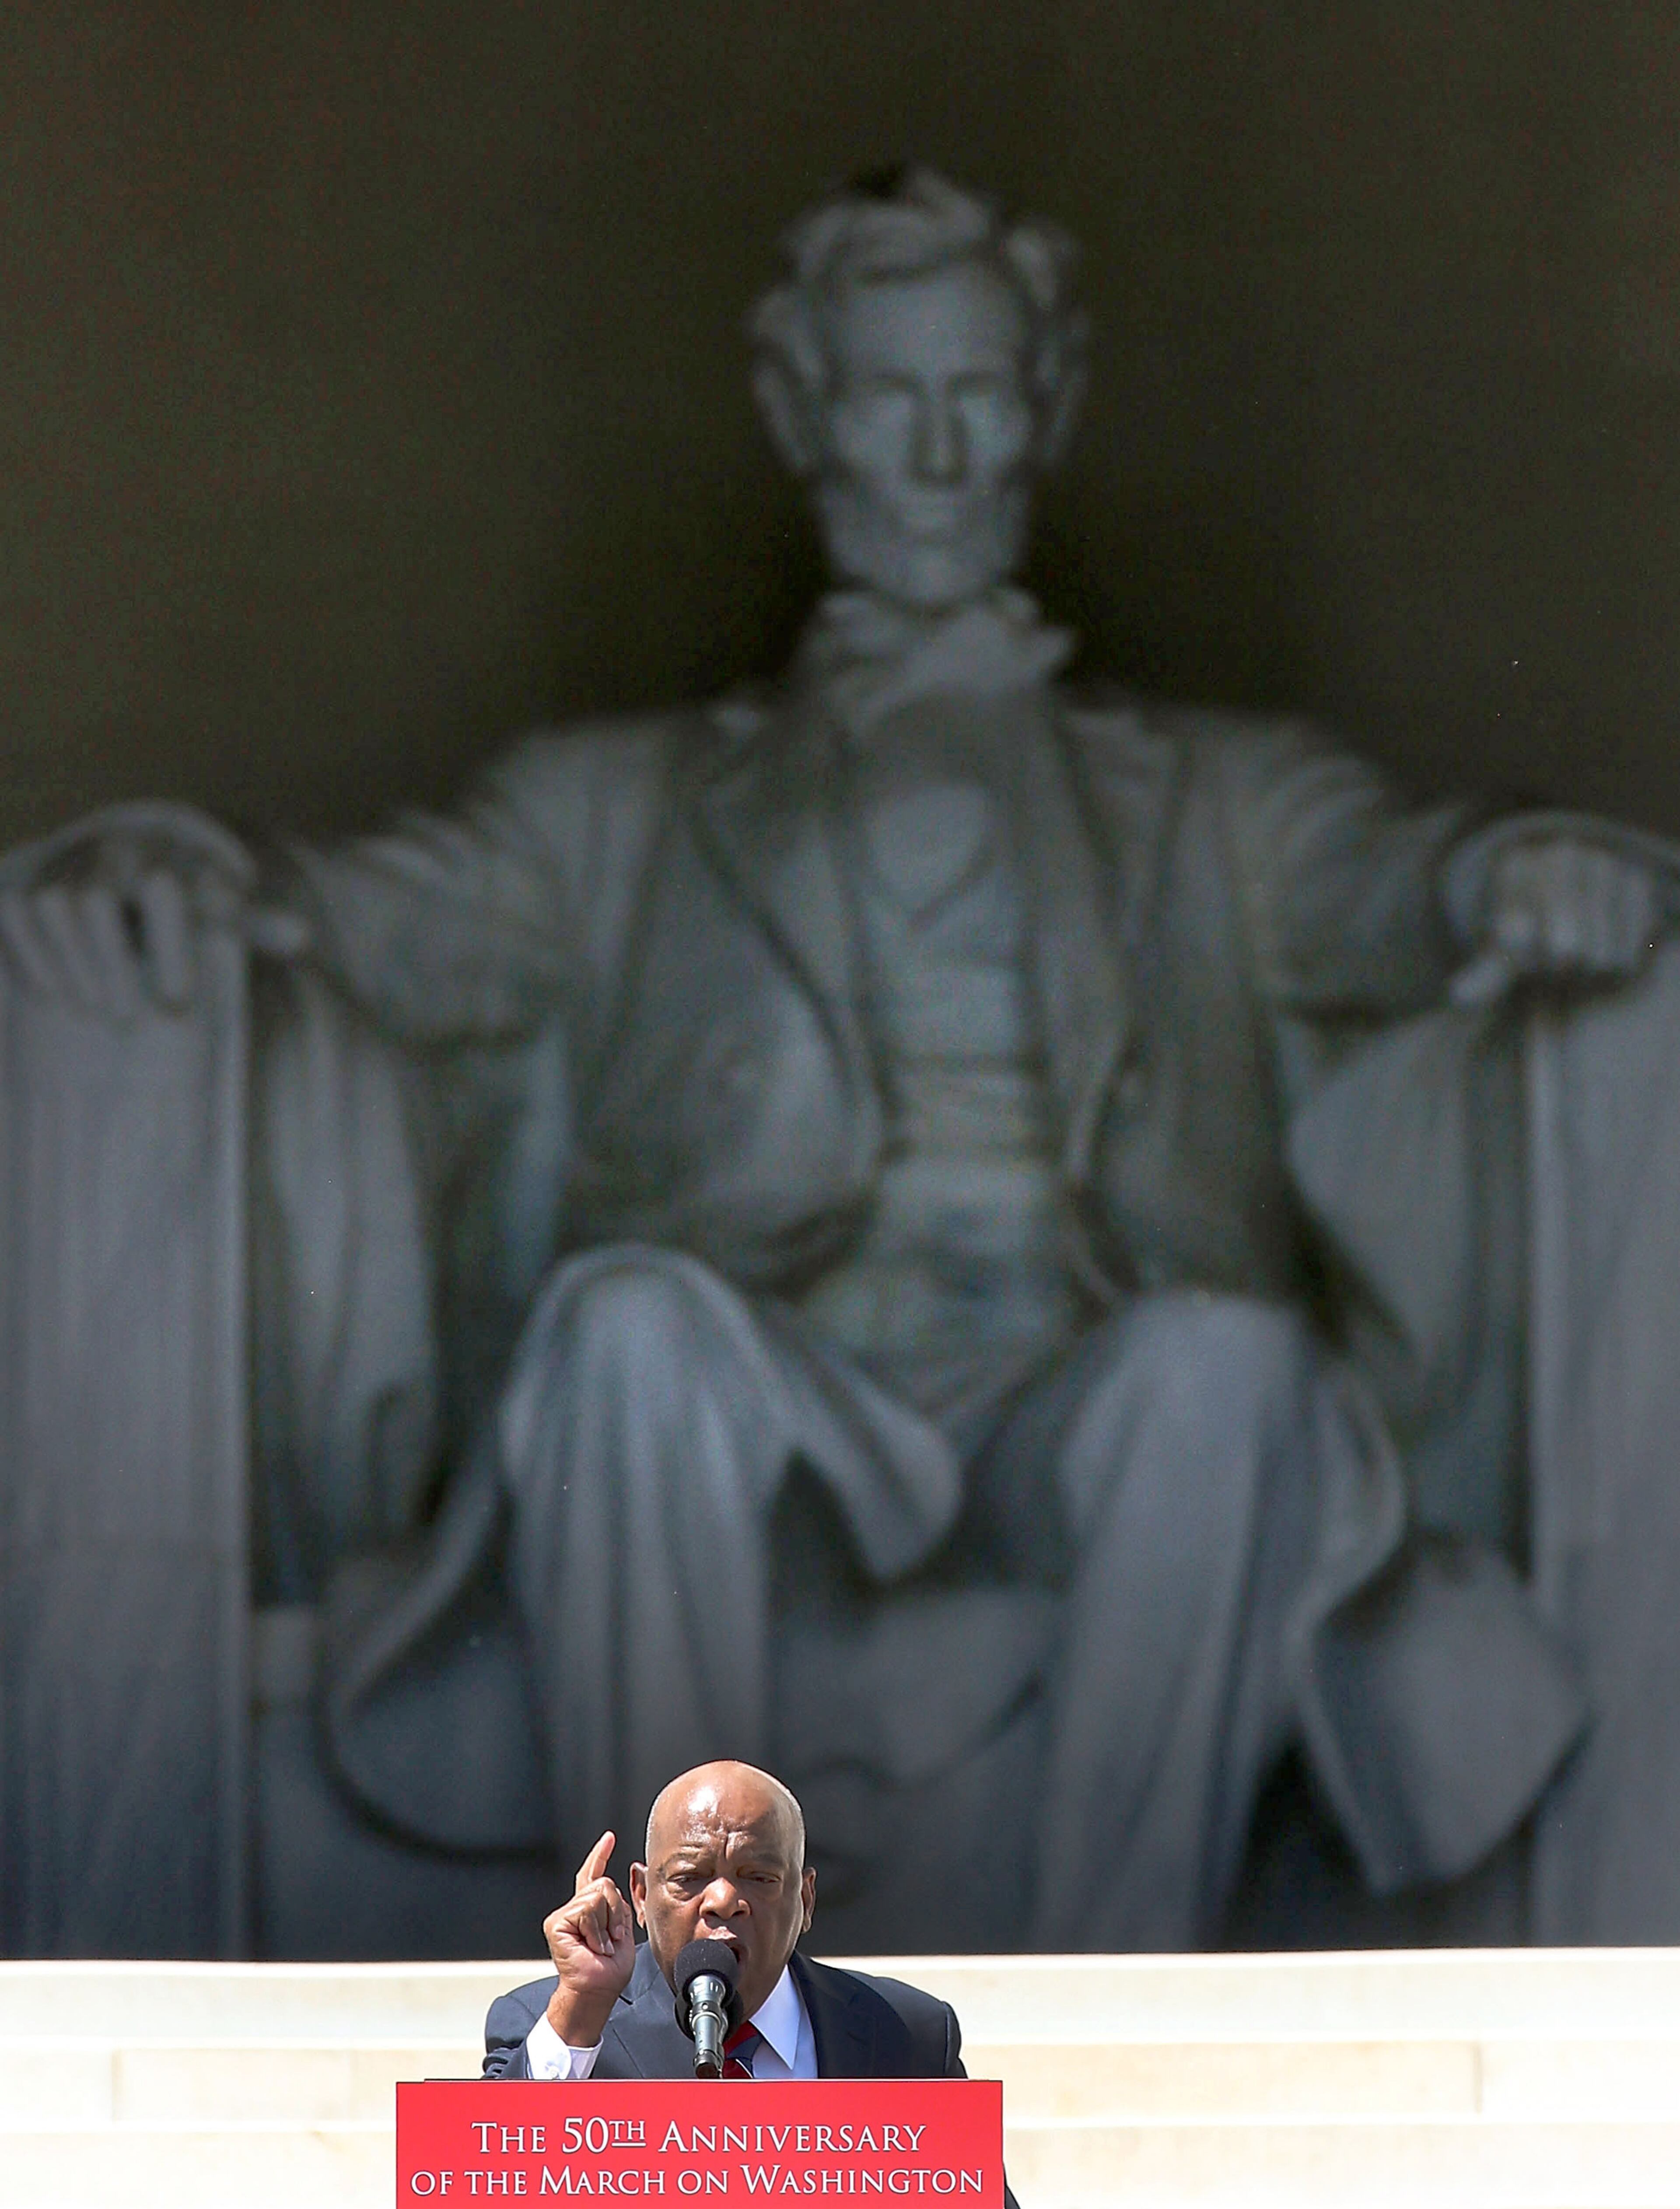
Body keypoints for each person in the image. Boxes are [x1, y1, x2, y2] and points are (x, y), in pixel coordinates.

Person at [3, 168, 1671, 1949]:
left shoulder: (1221, 801)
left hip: (1079, 1397)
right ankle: (690, 2003)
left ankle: (1109, 1989)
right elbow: (367, 912)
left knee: (1234, 1366)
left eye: (979, 394)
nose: (940, 454)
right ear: (806, 412)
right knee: (623, 1324)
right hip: (763, 1409)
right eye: (891, 396)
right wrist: (187, 863)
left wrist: (1520, 869)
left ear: (1049, 402)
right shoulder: (614, 808)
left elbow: (1401, 879)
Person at [484, 1760, 970, 2083]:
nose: (722, 1899)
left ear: (805, 1897)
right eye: (690, 1877)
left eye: (757, 1875)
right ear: (639, 1893)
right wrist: (581, 2008)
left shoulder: (909, 2033)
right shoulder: (555, 2023)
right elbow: (484, 2181)